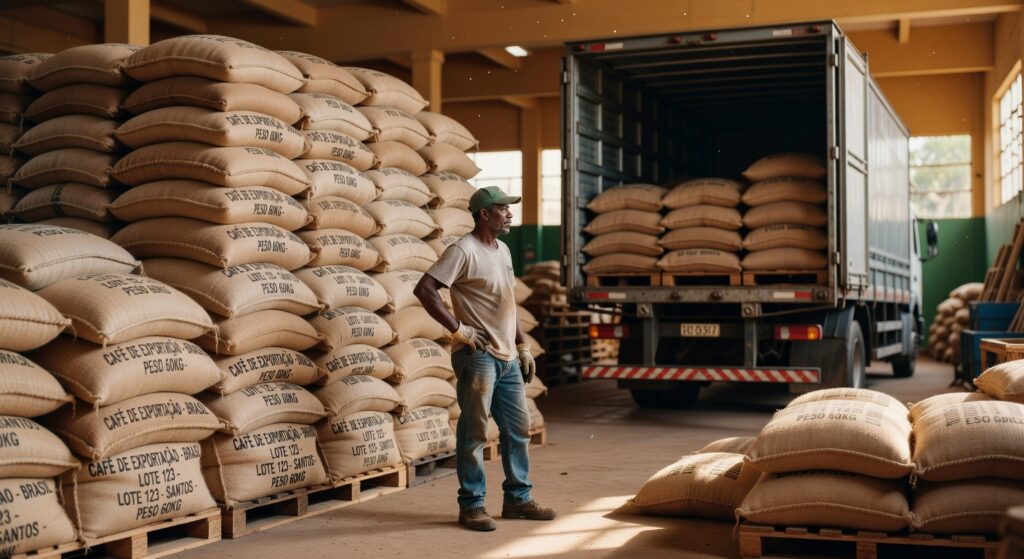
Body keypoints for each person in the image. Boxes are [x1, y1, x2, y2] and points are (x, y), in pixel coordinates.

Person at [414, 186, 556, 532]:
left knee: (518, 429)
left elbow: (508, 303)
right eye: (504, 209)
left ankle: (518, 499)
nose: (510, 214)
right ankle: (472, 505)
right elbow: (425, 289)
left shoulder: (503, 250)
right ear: (484, 214)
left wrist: (522, 345)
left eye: (509, 209)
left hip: (507, 357)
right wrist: (458, 329)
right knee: (475, 431)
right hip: (478, 356)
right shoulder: (463, 251)